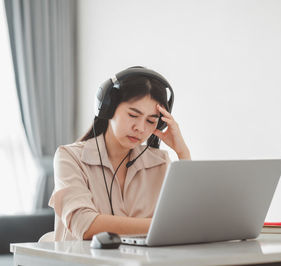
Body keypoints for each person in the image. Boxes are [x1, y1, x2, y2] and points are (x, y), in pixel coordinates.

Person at [49, 66, 190, 241]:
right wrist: (162, 226)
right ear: (107, 108)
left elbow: (187, 221)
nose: (140, 128)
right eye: (133, 115)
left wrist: (183, 153)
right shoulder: (69, 157)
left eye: (151, 120)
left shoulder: (160, 162)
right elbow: (84, 224)